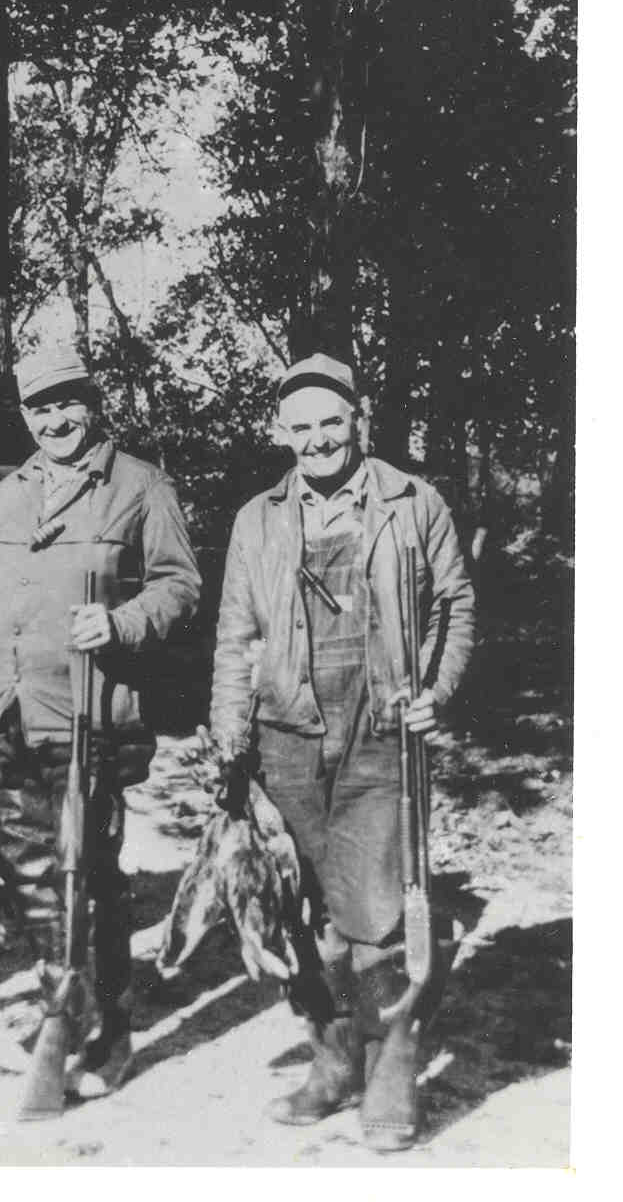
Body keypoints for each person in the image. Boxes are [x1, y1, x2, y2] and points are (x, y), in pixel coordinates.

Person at [211, 353, 474, 1152]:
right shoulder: (256, 517)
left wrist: (437, 691)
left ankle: (390, 1060)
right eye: (302, 426)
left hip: (380, 734)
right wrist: (228, 735)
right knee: (299, 915)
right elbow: (235, 634)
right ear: (280, 432)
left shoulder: (410, 501)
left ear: (357, 420)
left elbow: (455, 607)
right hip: (285, 739)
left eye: (333, 420)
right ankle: (332, 1064)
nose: (318, 438)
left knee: (378, 917)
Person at [0, 352, 201, 1118]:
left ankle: (111, 1029)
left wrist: (121, 622)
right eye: (38, 409)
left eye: (66, 405)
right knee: (27, 876)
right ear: (23, 416)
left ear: (92, 403)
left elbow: (181, 585)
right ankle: (62, 1005)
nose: (53, 421)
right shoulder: (7, 495)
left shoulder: (139, 484)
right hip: (8, 719)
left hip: (91, 715)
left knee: (89, 875)